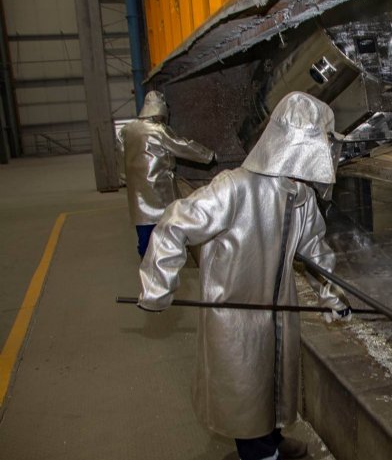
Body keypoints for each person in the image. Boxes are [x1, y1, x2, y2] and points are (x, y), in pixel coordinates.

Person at [137, 91, 352, 460]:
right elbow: (175, 223)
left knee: (275, 384)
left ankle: (272, 440)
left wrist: (333, 295)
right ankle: (260, 454)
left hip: (280, 310)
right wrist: (158, 284)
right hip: (233, 315)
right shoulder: (234, 187)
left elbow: (315, 251)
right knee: (244, 390)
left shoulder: (300, 197)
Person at [119, 90, 215, 257]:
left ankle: (146, 260)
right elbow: (182, 146)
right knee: (166, 226)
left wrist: (124, 176)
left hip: (137, 191)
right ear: (160, 109)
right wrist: (208, 155)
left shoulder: (127, 130)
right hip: (159, 189)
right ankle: (165, 261)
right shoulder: (158, 131)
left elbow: (120, 154)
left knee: (144, 230)